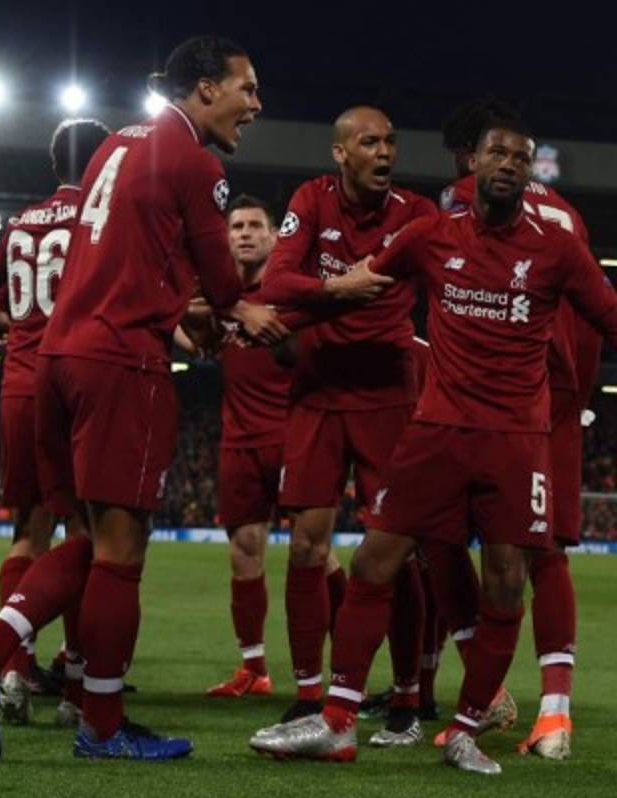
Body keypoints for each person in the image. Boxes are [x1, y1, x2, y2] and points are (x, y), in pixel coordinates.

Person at [249, 108, 617, 774]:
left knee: (507, 586)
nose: (509, 164)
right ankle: (336, 722)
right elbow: (358, 291)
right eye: (498, 154)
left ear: (529, 171)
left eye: (521, 157)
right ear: (473, 164)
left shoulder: (556, 249)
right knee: (372, 565)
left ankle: (464, 729)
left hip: (515, 443)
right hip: (435, 434)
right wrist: (261, 316)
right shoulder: (430, 234)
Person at [0, 35, 285, 762]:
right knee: (122, 553)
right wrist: (242, 310)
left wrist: (190, 304)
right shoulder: (196, 162)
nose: (256, 104)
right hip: (122, 364)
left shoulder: (116, 145)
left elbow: (141, 257)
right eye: (246, 88)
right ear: (205, 88)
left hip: (57, 361)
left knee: (86, 541)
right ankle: (100, 724)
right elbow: (224, 281)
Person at [258, 105, 436, 746]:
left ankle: (407, 697)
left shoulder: (417, 214)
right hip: (319, 390)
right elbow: (277, 280)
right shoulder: (311, 199)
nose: (383, 152)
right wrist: (338, 290)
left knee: (394, 551)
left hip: (388, 394)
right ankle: (308, 693)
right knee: (306, 545)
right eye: (369, 142)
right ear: (340, 153)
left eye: (390, 142)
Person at [436, 97, 605, 758]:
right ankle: (555, 717)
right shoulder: (567, 214)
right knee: (547, 549)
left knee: (433, 536)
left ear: (465, 156)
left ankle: (486, 693)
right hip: (558, 389)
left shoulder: (462, 200)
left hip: (496, 389)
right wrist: (575, 400)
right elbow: (595, 317)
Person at [0, 118, 112, 724]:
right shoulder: (98, 217)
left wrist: (1, 325)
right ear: (102, 163)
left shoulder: (21, 222)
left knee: (27, 531)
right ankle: (76, 692)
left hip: (19, 384)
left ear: (56, 164)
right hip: (76, 381)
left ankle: (13, 674)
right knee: (88, 535)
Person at [196, 194, 289, 699]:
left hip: (292, 436)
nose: (246, 234)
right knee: (243, 551)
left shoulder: (289, 291)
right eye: (237, 227)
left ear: (274, 237)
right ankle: (254, 669)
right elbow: (197, 336)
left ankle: (348, 669)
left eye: (255, 226)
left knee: (316, 555)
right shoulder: (221, 298)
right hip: (239, 441)